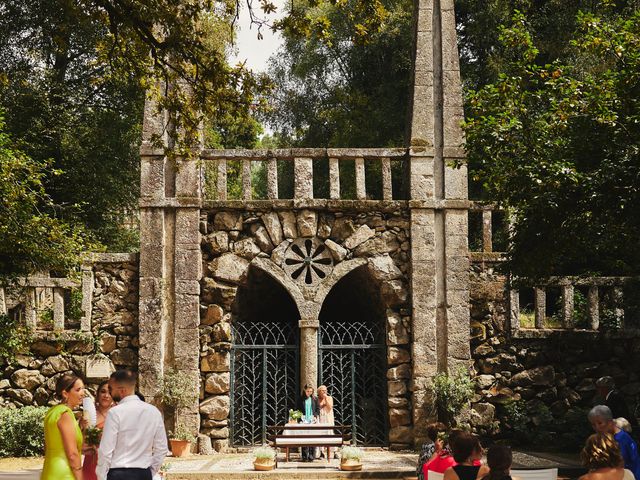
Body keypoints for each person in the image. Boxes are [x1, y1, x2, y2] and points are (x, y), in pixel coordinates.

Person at [97, 369, 168, 480]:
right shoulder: (154, 412)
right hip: (143, 473)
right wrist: (151, 471)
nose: (109, 392)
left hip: (118, 474)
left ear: (121, 391)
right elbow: (162, 448)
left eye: (110, 389)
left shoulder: (115, 412)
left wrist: (101, 476)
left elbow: (105, 450)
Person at [41, 373, 86, 480]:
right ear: (65, 393)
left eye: (83, 389)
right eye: (78, 389)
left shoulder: (52, 412)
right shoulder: (65, 414)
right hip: (64, 474)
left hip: (49, 470)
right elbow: (72, 454)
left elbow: (47, 446)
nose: (83, 393)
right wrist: (80, 477)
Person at [588, 405, 640, 479]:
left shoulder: (619, 440)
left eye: (600, 423)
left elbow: (618, 465)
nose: (597, 428)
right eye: (593, 425)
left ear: (610, 422)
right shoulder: (618, 436)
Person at [82, 381, 114, 480]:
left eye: (110, 392)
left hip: (112, 463)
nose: (106, 395)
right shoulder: (88, 414)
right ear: (97, 394)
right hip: (92, 461)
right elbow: (81, 443)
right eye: (103, 392)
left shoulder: (118, 414)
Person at [297, 384, 319, 462]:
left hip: (312, 420)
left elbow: (317, 409)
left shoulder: (315, 399)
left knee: (313, 437)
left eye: (311, 391)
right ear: (304, 391)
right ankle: (304, 456)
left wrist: (315, 416)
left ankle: (312, 456)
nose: (309, 393)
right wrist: (300, 417)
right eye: (307, 391)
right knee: (304, 438)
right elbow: (298, 409)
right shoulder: (300, 399)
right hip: (303, 420)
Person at [317, 385, 335, 459]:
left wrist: (325, 399)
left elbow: (330, 406)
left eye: (325, 390)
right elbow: (317, 407)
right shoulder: (317, 399)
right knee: (321, 434)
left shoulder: (329, 398)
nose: (324, 391)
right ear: (319, 392)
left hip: (328, 418)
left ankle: (334, 452)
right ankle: (321, 452)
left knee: (330, 434)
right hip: (321, 418)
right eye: (322, 390)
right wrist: (323, 404)